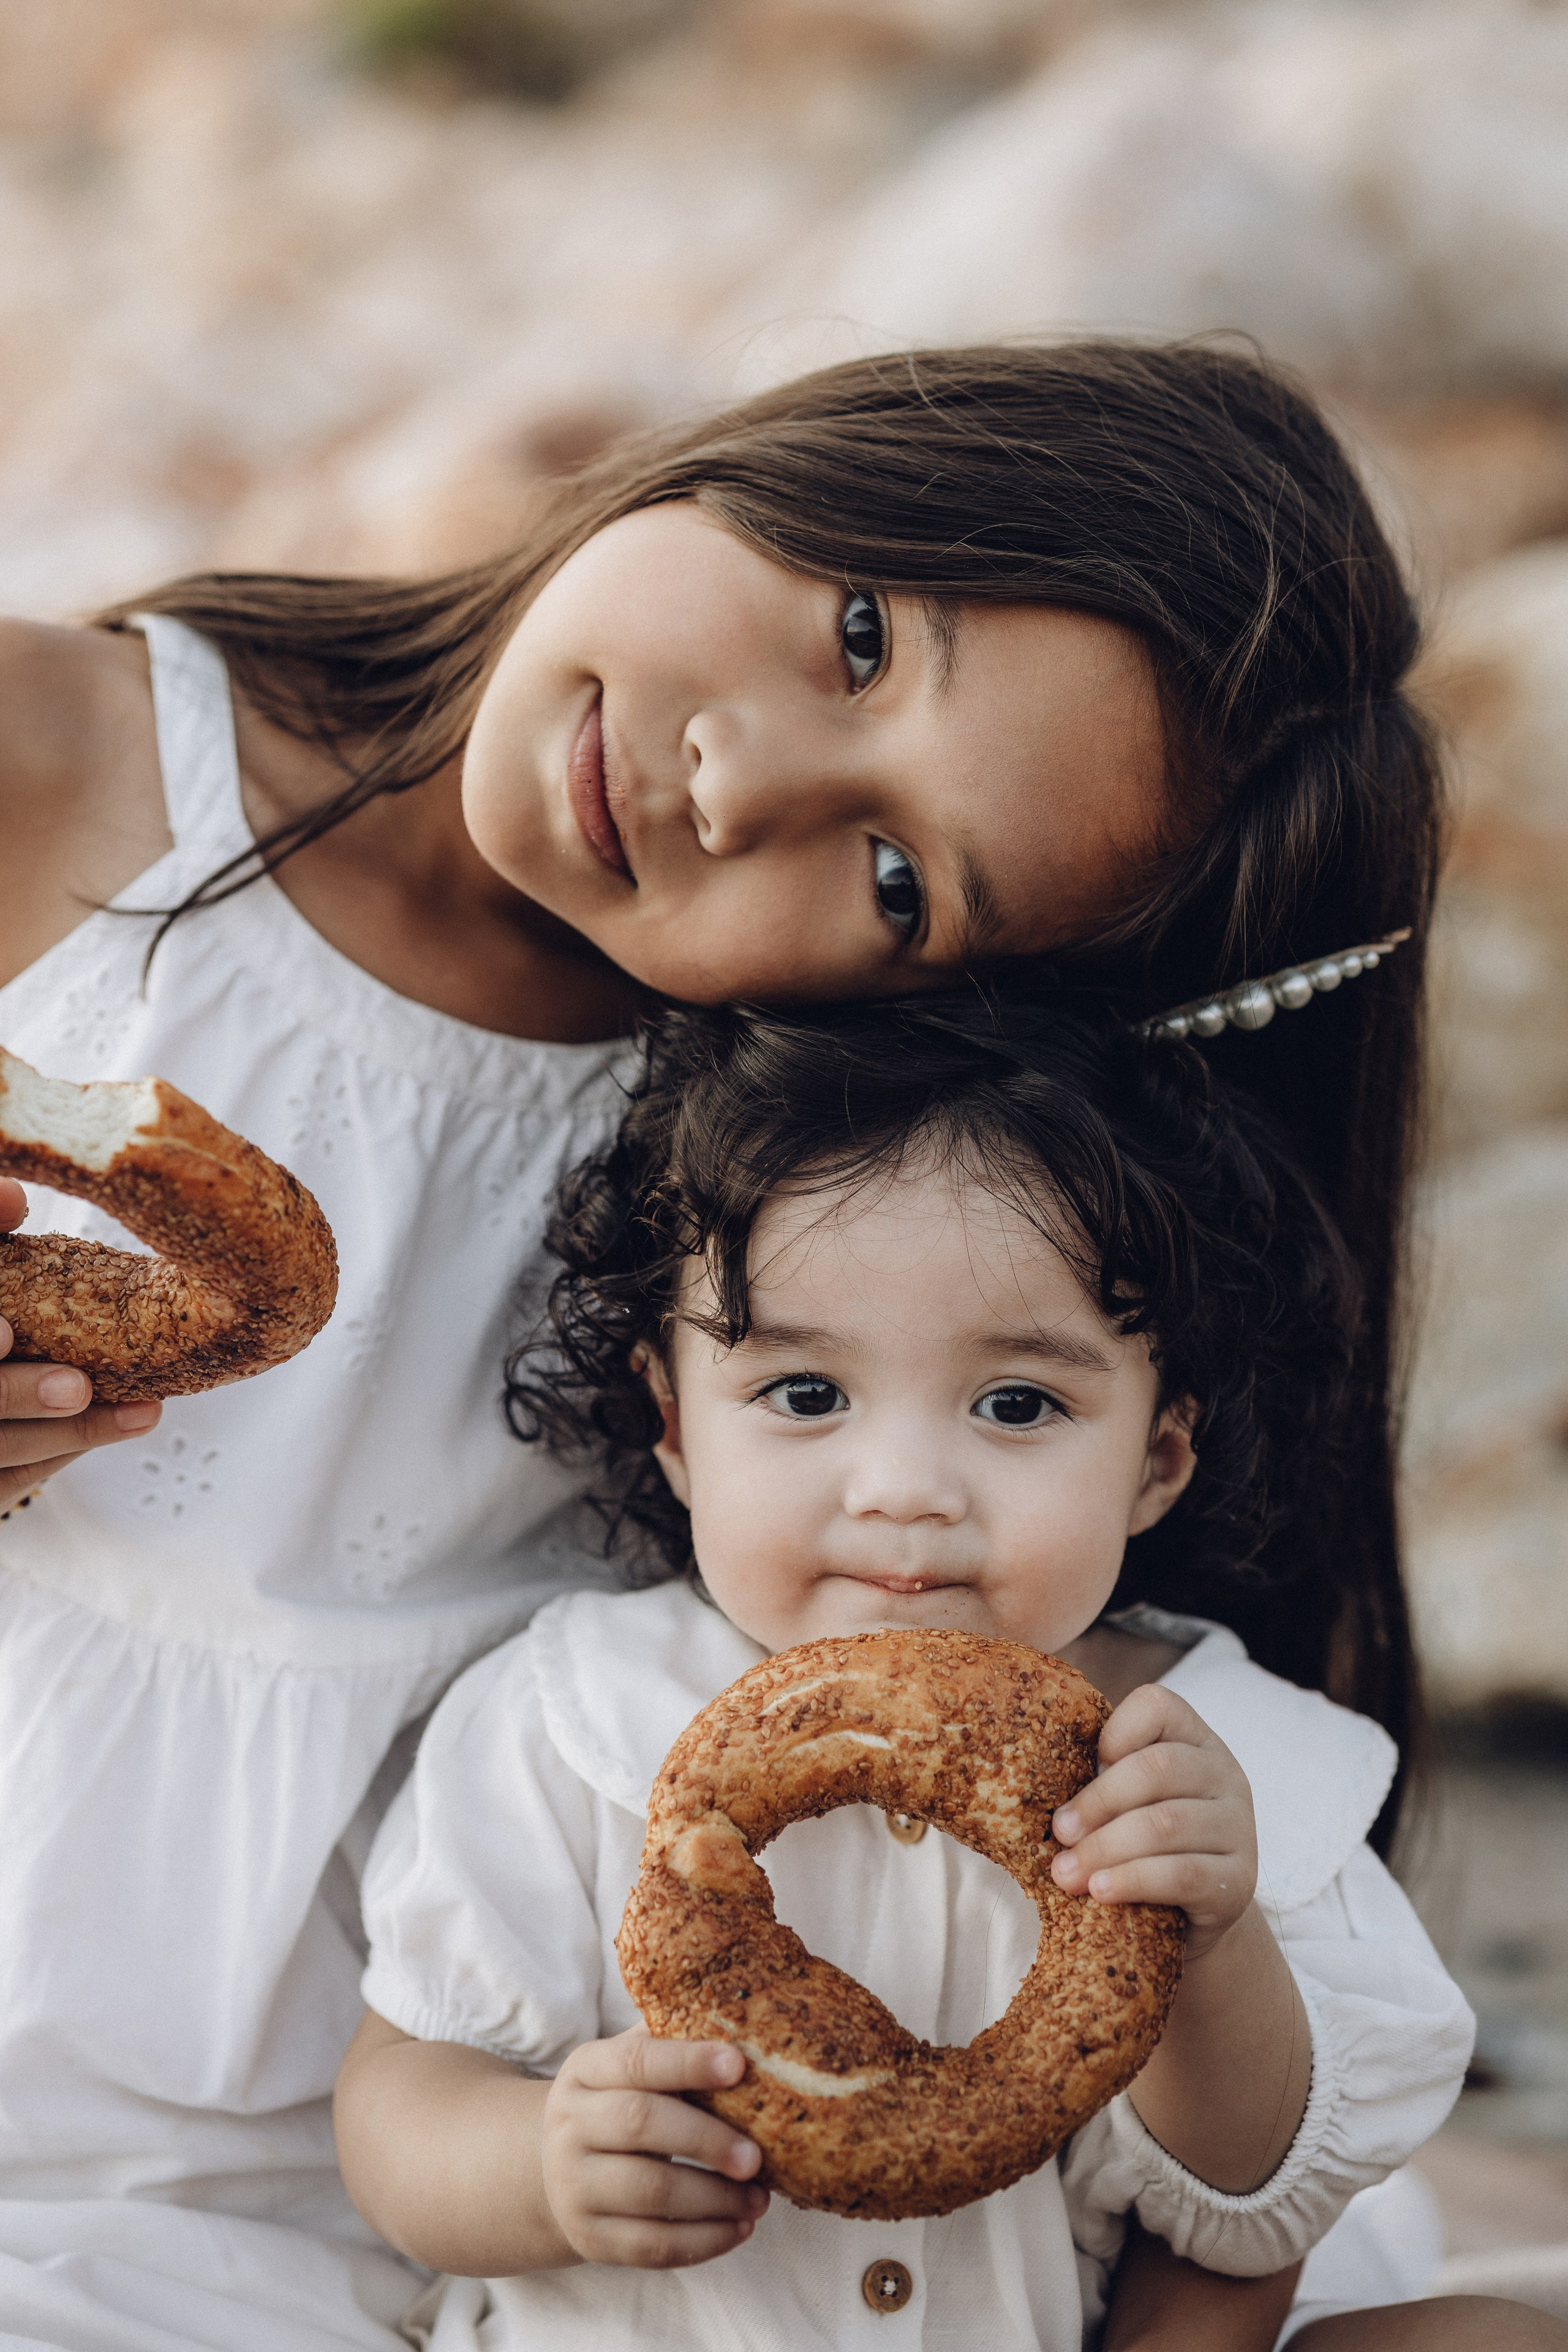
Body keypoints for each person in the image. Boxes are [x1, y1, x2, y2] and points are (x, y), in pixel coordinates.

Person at [0, 341, 1446, 2351]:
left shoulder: (779, 1161)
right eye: (861, 638)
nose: (740, 780)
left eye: (892, 879)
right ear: (831, 451)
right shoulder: (61, 760)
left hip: (521, 2192)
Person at [333, 992, 1544, 2351]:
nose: (904, 1492)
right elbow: (399, 2098)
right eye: (804, 1396)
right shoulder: (568, 1722)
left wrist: (1218, 1946)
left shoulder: (1215, 1768)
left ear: (1155, 1456)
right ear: (673, 1428)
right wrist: (538, 2167)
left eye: (1015, 1405)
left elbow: (1245, 2217)